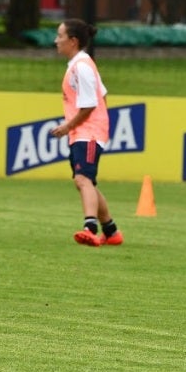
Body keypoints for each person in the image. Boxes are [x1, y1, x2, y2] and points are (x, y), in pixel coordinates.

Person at [50, 18, 123, 247]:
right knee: (85, 181)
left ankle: (90, 228)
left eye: (60, 36)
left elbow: (91, 104)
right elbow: (102, 95)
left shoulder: (81, 67)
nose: (56, 41)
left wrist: (68, 126)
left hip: (87, 131)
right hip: (87, 130)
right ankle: (111, 231)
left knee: (83, 179)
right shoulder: (80, 64)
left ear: (73, 41)